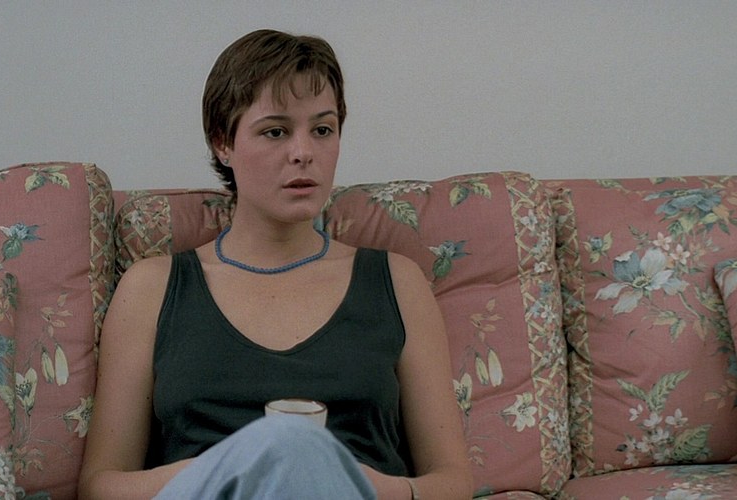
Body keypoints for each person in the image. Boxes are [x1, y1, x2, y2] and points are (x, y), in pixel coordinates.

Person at [78, 29, 472, 499]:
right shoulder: (152, 288)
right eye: (276, 131)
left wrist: (353, 480)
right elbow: (101, 487)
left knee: (297, 449)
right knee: (285, 444)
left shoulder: (396, 282)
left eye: (322, 130)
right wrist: (240, 463)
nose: (303, 152)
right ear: (222, 142)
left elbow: (453, 481)